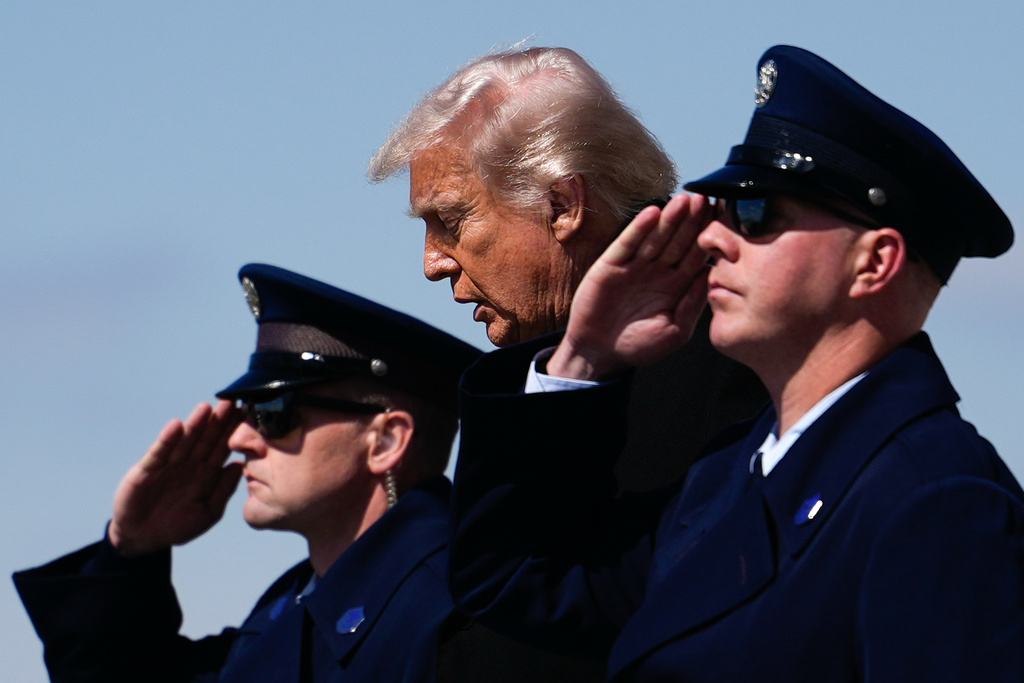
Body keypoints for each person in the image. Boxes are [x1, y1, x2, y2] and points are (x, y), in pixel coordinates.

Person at [446, 45, 1024, 681]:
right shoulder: (727, 479)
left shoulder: (939, 500)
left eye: (755, 214)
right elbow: (517, 584)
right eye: (720, 211)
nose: (715, 237)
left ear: (875, 262)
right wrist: (582, 360)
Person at [14, 263, 481, 683]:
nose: (240, 440)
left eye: (274, 413)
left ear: (385, 441)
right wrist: (131, 551)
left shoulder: (459, 617)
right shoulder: (292, 608)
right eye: (245, 413)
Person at [369, 46, 767, 493]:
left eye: (452, 222)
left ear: (563, 206)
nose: (432, 264)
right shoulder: (530, 378)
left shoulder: (734, 342)